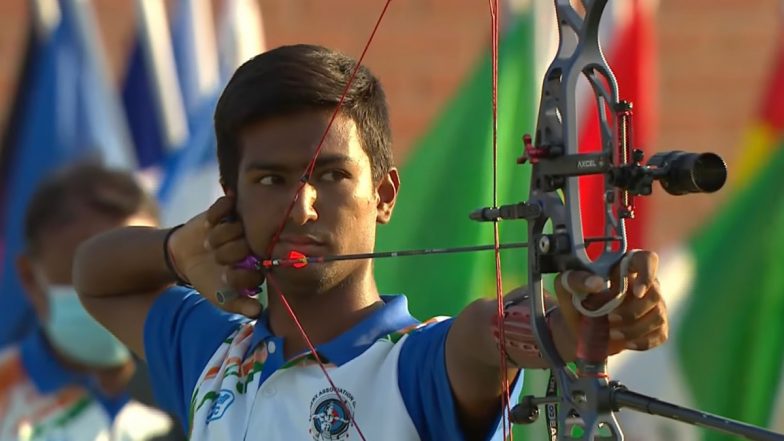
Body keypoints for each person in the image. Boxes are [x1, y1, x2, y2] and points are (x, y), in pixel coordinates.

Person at [73, 44, 668, 441]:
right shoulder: (215, 355)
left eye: (331, 176)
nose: (302, 206)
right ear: (231, 198)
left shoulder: (416, 365)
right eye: (271, 180)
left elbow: (498, 332)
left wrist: (586, 315)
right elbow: (92, 275)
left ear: (384, 195)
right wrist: (182, 248)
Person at [0, 163, 183, 441]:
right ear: (29, 277)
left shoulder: (212, 383)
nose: (115, 291)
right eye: (88, 271)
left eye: (137, 269)